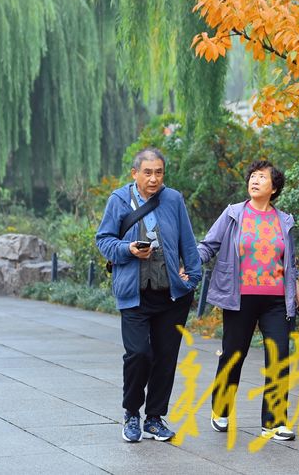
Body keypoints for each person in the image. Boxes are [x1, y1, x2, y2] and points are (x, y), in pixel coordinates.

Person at [197, 159, 299, 442]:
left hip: (275, 302)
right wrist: (189, 264)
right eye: (253, 176)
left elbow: (290, 262)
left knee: (279, 358)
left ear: (274, 188)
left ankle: (273, 422)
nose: (255, 181)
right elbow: (209, 245)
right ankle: (220, 410)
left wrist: (297, 294)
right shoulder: (234, 213)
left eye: (262, 177)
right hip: (240, 298)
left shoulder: (284, 220)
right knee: (233, 356)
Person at [96, 147, 202, 443]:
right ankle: (132, 413)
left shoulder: (173, 199)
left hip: (171, 296)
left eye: (159, 172)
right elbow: (104, 240)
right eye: (147, 172)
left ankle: (154, 418)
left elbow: (187, 241)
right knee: (139, 354)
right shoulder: (118, 200)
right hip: (135, 294)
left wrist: (192, 278)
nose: (154, 178)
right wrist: (127, 250)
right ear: (135, 173)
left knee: (166, 358)